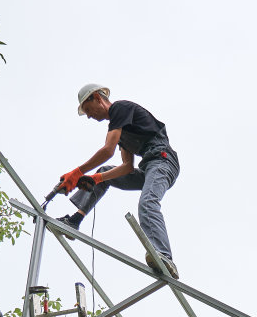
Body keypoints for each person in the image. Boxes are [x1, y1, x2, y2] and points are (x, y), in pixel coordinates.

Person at [54, 83, 180, 278]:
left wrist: (77, 172)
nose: (89, 116)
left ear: (97, 97)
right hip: (148, 168)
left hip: (162, 161)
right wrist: (95, 178)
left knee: (147, 203)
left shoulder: (120, 109)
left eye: (88, 110)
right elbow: (127, 167)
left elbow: (107, 150)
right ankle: (75, 220)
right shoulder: (120, 129)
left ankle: (164, 256)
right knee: (104, 172)